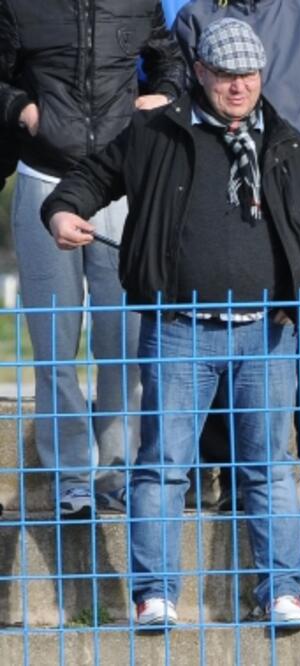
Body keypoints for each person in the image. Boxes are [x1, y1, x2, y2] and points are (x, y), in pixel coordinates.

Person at [41, 18, 300, 626]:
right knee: (162, 468)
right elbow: (92, 176)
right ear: (200, 72)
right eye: (226, 75)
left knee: (272, 468)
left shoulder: (289, 144)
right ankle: (155, 595)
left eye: (249, 74)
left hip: (268, 332)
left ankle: (282, 591)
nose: (239, 86)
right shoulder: (155, 132)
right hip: (179, 328)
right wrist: (62, 210)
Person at [0, 0, 185, 519]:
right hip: (43, 178)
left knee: (122, 343)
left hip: (119, 185)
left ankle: (116, 473)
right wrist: (22, 110)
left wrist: (163, 95)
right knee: (54, 345)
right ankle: (71, 477)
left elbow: (170, 61)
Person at [173, 0, 300, 510]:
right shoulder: (194, 17)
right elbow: (182, 102)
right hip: (222, 195)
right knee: (220, 323)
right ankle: (228, 469)